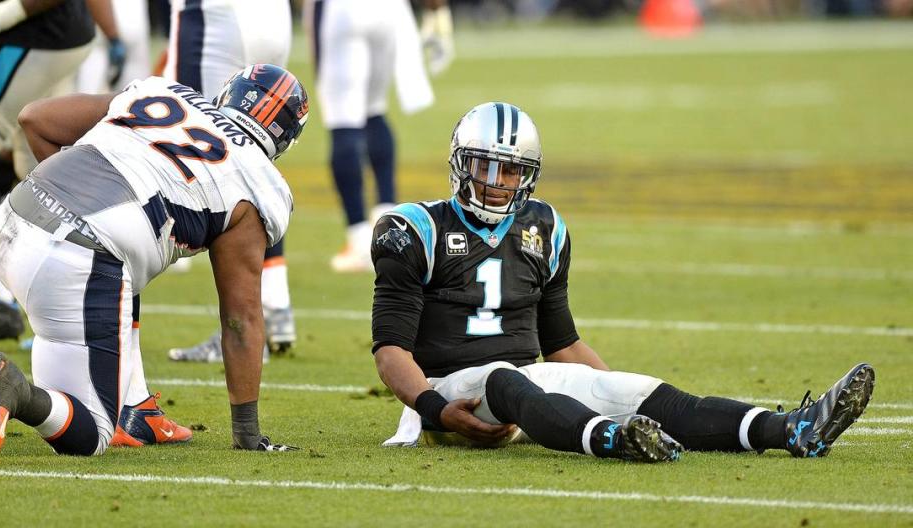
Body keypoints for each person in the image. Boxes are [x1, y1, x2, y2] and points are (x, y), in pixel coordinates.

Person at [371, 102, 874, 461]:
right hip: (450, 395)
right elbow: (390, 350)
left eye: (511, 171)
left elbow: (561, 342)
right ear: (461, 164)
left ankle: (790, 428)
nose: (498, 182)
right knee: (505, 377)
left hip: (532, 393)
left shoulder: (544, 229)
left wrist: (612, 389)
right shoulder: (415, 229)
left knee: (636, 391)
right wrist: (435, 410)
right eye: (487, 167)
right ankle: (611, 439)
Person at [0, 64, 309, 464]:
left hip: (13, 219)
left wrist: (66, 200)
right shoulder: (259, 182)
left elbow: (35, 118)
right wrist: (248, 432)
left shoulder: (165, 93)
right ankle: (15, 391)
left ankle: (140, 406)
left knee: (125, 275)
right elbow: (240, 318)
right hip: (77, 259)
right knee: (91, 433)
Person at [0, 0, 96, 349]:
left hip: (36, 32)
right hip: (49, 33)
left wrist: (5, 14)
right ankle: (79, 306)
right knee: (37, 165)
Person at [164, 0, 297, 361]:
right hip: (273, 16)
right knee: (253, 154)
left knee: (200, 145)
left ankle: (247, 323)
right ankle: (275, 302)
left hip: (215, 15)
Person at [304, 0, 450, 273]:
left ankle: (359, 239)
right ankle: (391, 226)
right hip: (389, 10)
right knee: (374, 111)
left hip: (343, 10)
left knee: (343, 121)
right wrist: (437, 9)